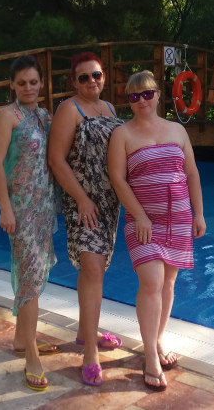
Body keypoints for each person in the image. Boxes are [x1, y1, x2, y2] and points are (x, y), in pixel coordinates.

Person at [108, 70, 207, 392]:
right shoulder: (122, 134)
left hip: (178, 218)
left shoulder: (177, 130)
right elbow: (118, 179)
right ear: (129, 100)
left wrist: (198, 213)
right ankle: (150, 354)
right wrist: (139, 216)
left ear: (159, 94)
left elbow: (191, 173)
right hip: (144, 222)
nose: (142, 100)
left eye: (147, 93)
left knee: (168, 283)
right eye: (134, 96)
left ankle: (159, 338)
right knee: (151, 282)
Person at [48, 51, 124, 387]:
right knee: (92, 267)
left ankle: (84, 332)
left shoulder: (109, 108)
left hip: (109, 202)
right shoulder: (69, 109)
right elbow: (56, 159)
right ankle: (90, 352)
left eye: (96, 75)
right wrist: (81, 199)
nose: (91, 81)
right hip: (83, 202)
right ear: (74, 82)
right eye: (84, 77)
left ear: (104, 76)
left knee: (97, 268)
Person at [0, 54, 60, 392]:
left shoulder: (45, 116)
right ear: (12, 85)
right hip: (20, 211)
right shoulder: (8, 116)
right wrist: (5, 208)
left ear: (42, 83)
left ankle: (21, 339)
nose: (29, 88)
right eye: (22, 83)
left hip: (43, 209)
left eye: (34, 82)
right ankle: (31, 354)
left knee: (35, 272)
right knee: (29, 279)